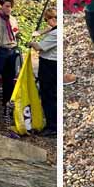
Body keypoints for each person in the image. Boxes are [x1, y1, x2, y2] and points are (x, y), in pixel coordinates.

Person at [31, 8, 58, 137]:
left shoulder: (56, 34)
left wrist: (31, 42)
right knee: (51, 94)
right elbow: (49, 28)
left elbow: (39, 47)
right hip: (51, 64)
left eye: (47, 20)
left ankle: (52, 126)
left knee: (48, 95)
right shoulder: (55, 29)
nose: (47, 23)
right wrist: (39, 32)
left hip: (49, 66)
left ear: (53, 19)